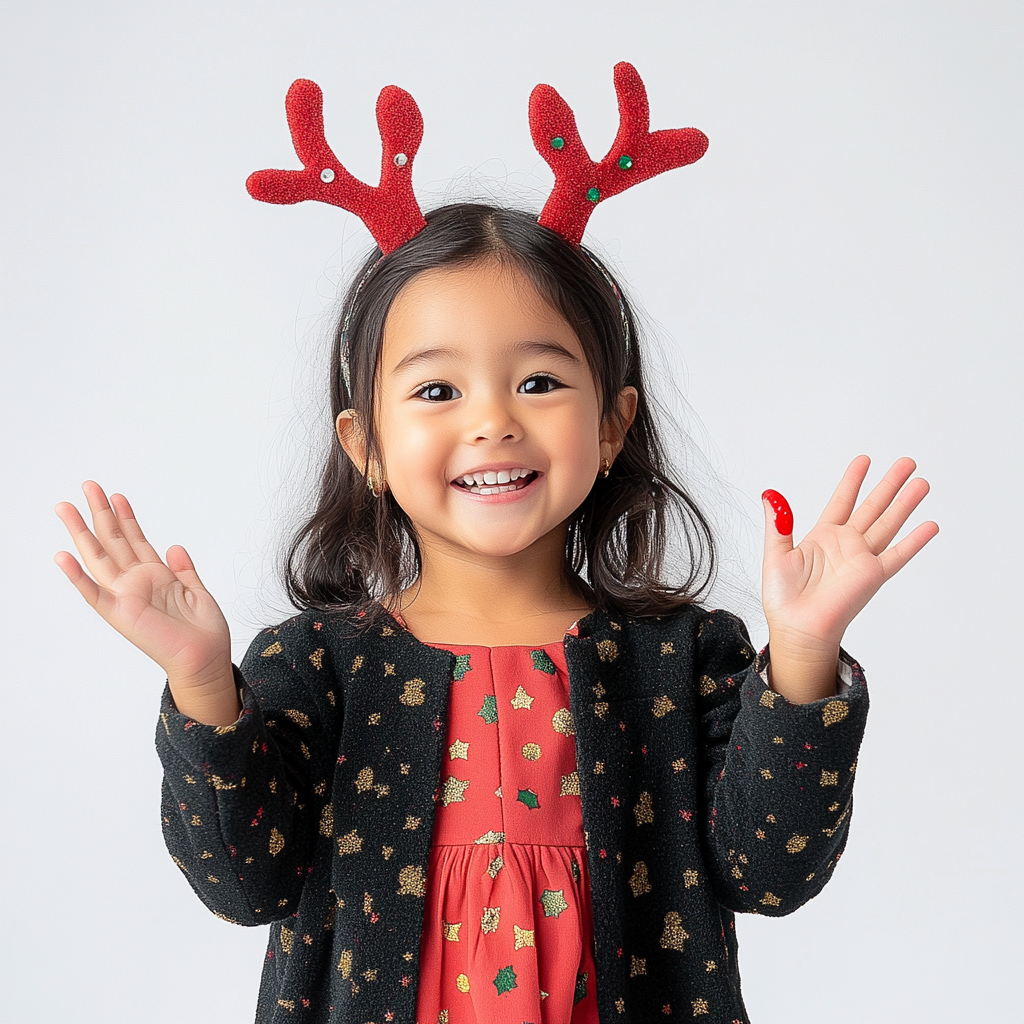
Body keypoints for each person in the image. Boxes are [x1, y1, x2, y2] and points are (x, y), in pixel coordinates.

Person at [53, 69, 937, 1024]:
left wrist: (801, 656)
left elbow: (772, 871)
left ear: (610, 426)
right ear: (368, 448)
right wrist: (200, 681)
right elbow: (242, 884)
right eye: (438, 391)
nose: (493, 424)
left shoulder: (684, 660)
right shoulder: (315, 667)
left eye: (541, 383)